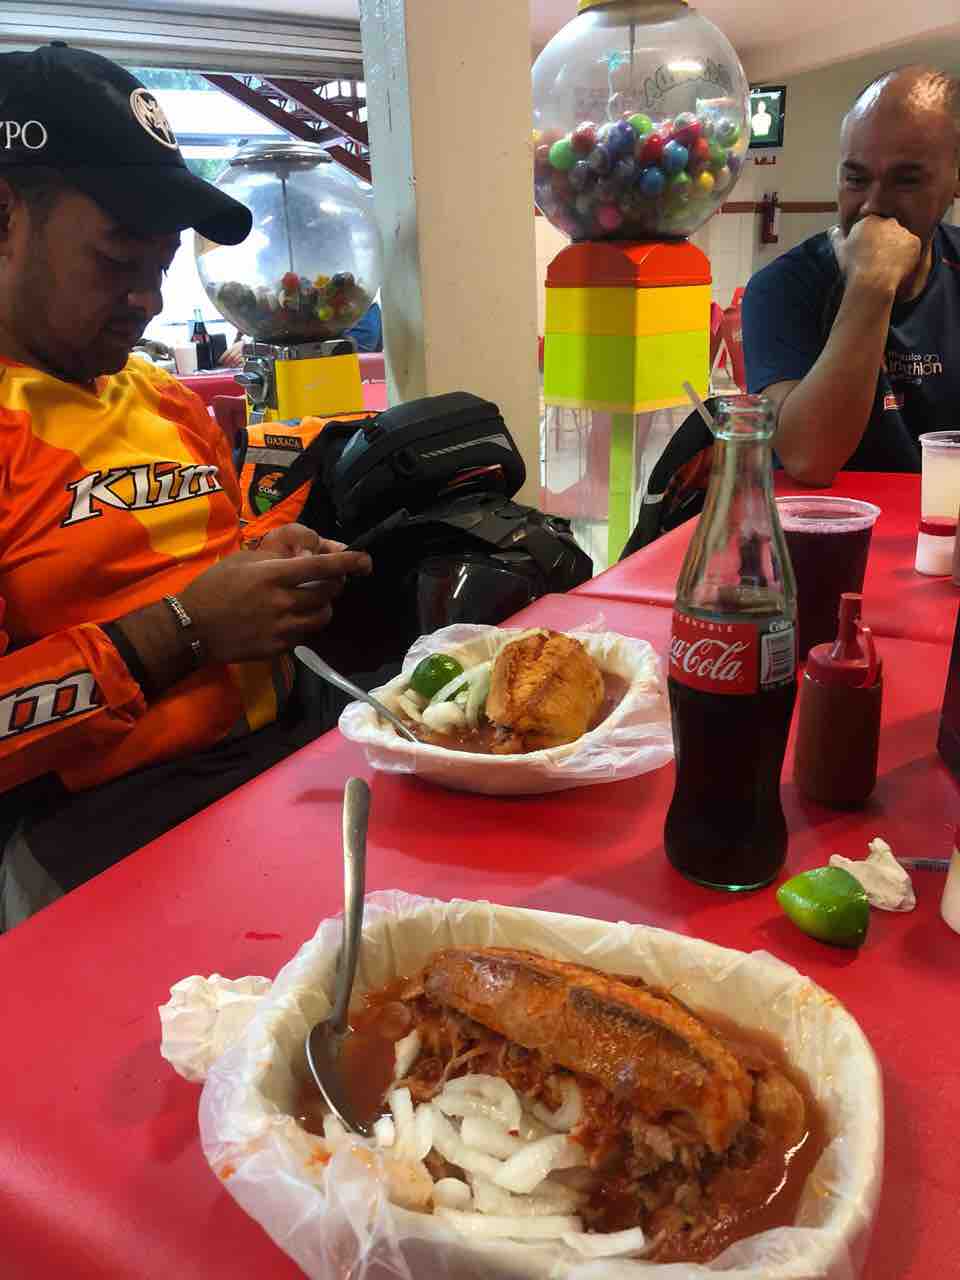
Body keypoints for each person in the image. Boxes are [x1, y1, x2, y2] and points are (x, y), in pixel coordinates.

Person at [0, 45, 373, 927]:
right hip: (105, 823)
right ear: (6, 216)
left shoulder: (166, 397)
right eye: (116, 258)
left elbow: (195, 569)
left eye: (161, 263)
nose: (146, 300)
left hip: (290, 749)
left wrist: (265, 563)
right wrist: (182, 634)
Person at [742, 67, 960, 484]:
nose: (872, 205)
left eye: (906, 180)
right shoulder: (783, 288)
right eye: (856, 179)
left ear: (954, 178)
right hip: (821, 540)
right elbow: (808, 457)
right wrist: (871, 285)